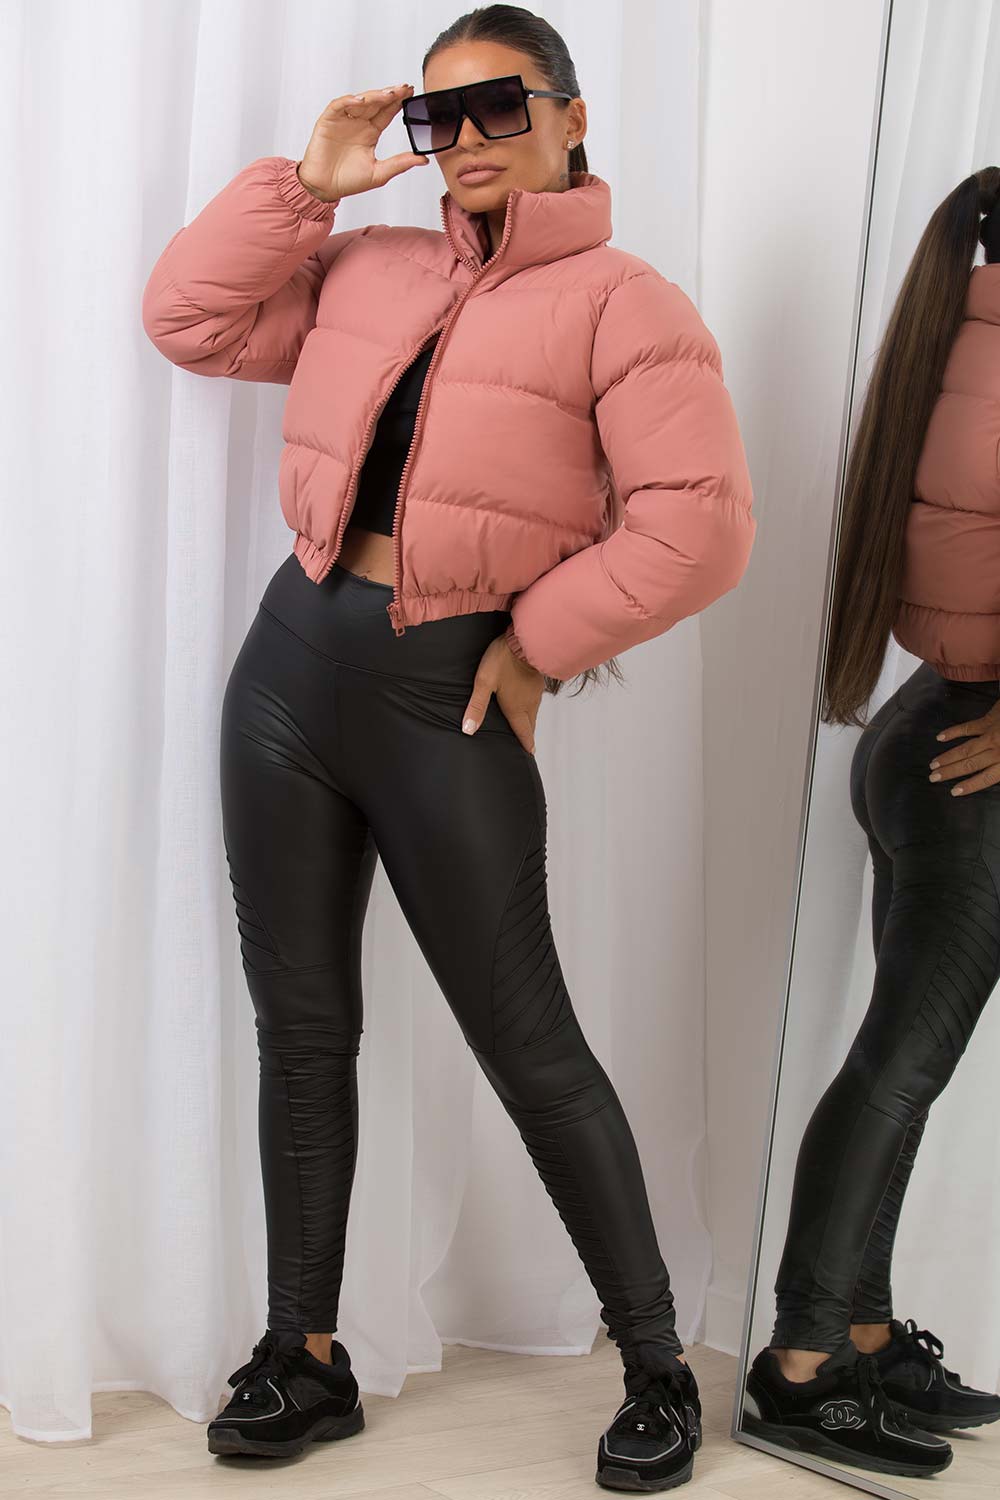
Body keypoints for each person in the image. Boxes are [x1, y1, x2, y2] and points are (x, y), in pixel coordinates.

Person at [141, 5, 755, 1484]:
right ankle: (306, 1356)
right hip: (289, 673)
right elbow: (190, 322)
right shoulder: (369, 265)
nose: (465, 139)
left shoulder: (629, 306)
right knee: (302, 1029)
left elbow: (700, 530)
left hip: (444, 698)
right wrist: (306, 186)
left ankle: (657, 1368)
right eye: (437, 116)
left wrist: (538, 644)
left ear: (570, 117)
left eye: (498, 106)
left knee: (528, 1043)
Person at [745, 171, 1000, 1481]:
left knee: (901, 1066)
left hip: (924, 730)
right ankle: (799, 1370)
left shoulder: (954, 332)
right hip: (975, 765)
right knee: (901, 1067)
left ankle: (860, 1329)